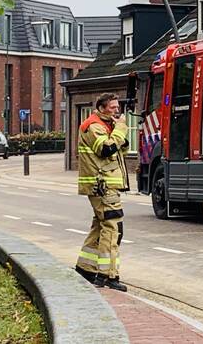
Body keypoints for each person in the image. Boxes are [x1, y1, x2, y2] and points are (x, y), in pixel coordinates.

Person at [75, 93, 130, 291]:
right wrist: (121, 128)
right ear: (101, 107)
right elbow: (106, 150)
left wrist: (117, 132)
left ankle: (85, 268)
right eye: (113, 107)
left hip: (106, 185)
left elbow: (120, 148)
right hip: (103, 185)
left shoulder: (107, 126)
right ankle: (107, 275)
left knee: (100, 226)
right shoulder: (94, 126)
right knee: (113, 227)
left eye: (118, 107)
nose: (117, 110)